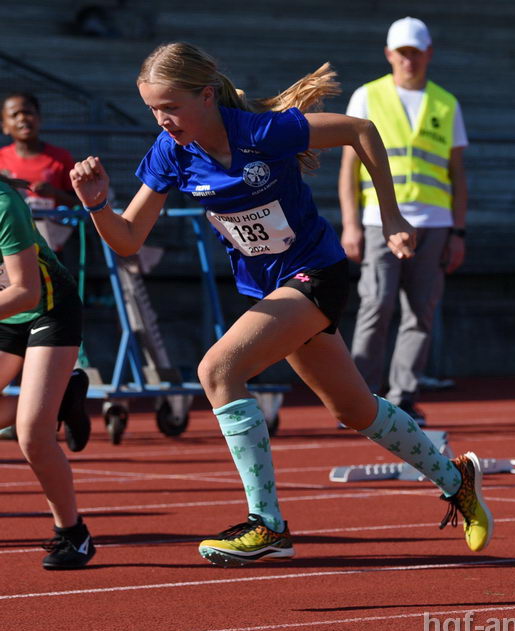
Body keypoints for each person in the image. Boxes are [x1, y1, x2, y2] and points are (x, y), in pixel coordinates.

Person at [69, 42, 492, 566]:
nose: (162, 120)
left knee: (217, 370)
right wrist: (97, 204)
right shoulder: (170, 152)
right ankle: (457, 479)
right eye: (153, 109)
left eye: (171, 107)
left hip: (316, 273)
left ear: (207, 96)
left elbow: (361, 130)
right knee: (355, 410)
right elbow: (128, 239)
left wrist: (392, 215)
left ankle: (266, 525)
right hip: (271, 291)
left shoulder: (262, 132)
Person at [339, 17, 468, 427]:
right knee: (376, 304)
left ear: (428, 53)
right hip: (380, 221)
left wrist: (458, 231)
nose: (408, 59)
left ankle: (404, 399)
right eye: (402, 52)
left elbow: (457, 174)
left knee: (421, 312)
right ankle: (360, 400)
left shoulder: (446, 103)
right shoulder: (367, 96)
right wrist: (350, 224)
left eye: (415, 52)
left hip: (435, 223)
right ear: (389, 54)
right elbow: (348, 168)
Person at [0, 175, 94, 569]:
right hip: (5, 314)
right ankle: (62, 395)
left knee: (33, 435)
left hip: (48, 309)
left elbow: (27, 291)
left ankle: (73, 534)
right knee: (32, 418)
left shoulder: (4, 204)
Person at [0, 92, 80, 253]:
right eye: (14, 115)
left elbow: (79, 203)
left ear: (39, 118)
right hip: (10, 243)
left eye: (27, 112)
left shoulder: (61, 157)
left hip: (54, 247)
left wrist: (55, 193)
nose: (22, 118)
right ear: (4, 127)